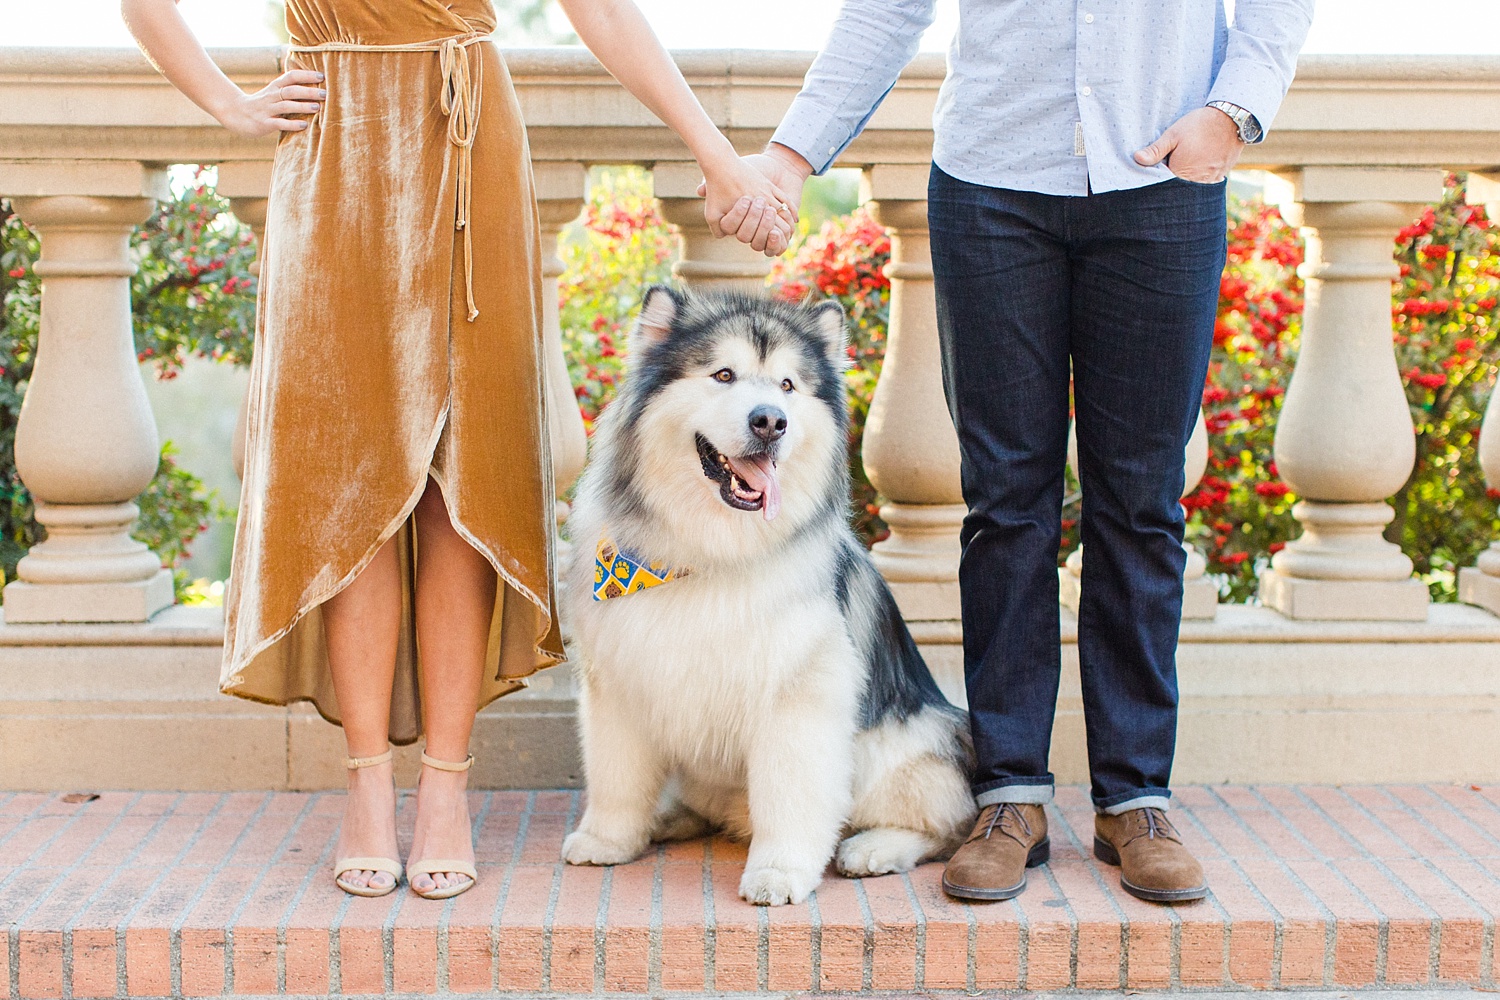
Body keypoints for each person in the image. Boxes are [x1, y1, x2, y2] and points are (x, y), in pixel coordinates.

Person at [122, 0, 792, 901]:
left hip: (468, 137)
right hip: (334, 151)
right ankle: (365, 788)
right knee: (350, 484)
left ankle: (445, 787)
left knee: (458, 482)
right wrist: (229, 106)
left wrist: (714, 153)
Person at [718, 0, 1313, 902]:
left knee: (1142, 500)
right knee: (1005, 504)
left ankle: (1135, 797)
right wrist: (793, 156)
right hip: (990, 184)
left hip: (1162, 181)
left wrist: (1233, 112)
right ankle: (1009, 792)